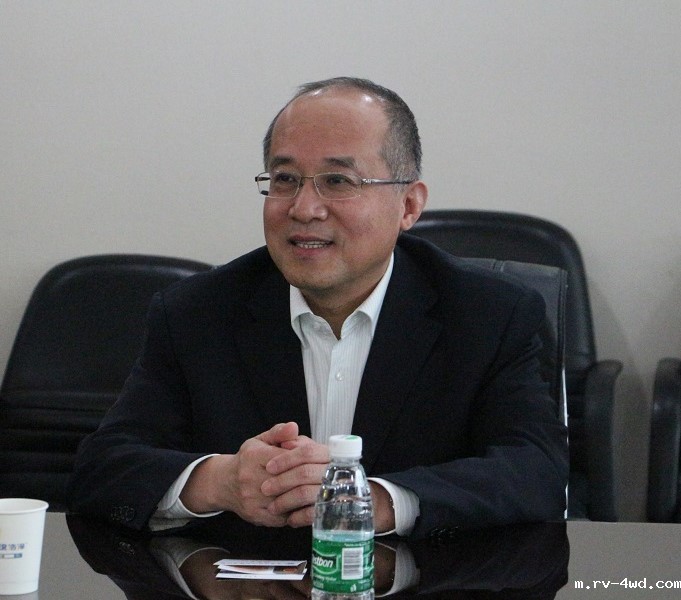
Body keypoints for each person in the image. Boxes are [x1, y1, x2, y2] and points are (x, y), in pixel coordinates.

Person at [67, 77, 568, 539]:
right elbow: (101, 469)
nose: (303, 208)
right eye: (285, 179)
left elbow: (538, 474)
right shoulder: (196, 313)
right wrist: (221, 481)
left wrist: (369, 501)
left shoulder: (491, 315)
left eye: (338, 181)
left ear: (409, 206)